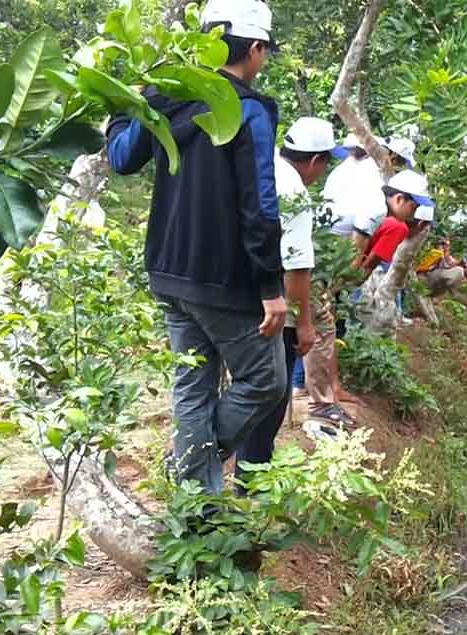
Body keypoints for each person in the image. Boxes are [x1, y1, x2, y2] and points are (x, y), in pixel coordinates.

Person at [106, 0, 285, 494]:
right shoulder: (248, 111)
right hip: (226, 280)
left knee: (192, 384)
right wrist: (272, 285)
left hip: (168, 270)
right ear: (254, 49)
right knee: (266, 381)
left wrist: (124, 107)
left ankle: (196, 504)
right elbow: (260, 206)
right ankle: (191, 465)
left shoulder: (166, 97)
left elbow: (122, 159)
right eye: (264, 51)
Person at [238, 117, 338, 464]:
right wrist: (303, 323)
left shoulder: (259, 168)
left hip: (233, 293)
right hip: (271, 304)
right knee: (272, 391)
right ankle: (253, 473)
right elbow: (296, 268)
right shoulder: (294, 191)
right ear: (315, 161)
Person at [352, 170, 433, 327]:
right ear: (399, 199)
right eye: (413, 207)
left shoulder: (375, 205)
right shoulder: (396, 226)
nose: (412, 214)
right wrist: (351, 284)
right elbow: (368, 265)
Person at [414, 209, 467, 297]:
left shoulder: (453, 265)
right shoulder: (438, 253)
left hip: (429, 279)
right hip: (426, 276)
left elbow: (448, 262)